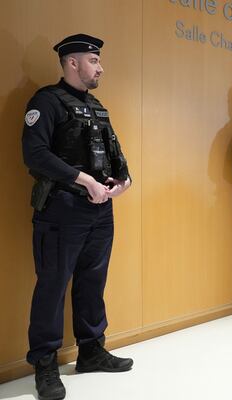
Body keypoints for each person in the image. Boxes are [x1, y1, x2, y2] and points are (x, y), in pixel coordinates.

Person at [21, 33, 133, 400]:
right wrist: (84, 180)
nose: (100, 67)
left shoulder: (98, 106)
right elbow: (35, 155)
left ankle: (91, 350)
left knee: (92, 281)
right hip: (62, 208)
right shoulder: (46, 102)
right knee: (52, 285)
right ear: (72, 63)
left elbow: (115, 151)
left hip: (100, 210)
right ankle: (45, 363)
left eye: (98, 61)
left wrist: (124, 180)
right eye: (93, 61)